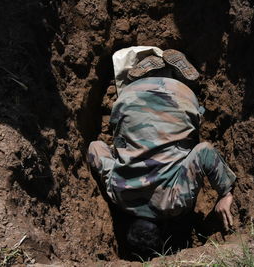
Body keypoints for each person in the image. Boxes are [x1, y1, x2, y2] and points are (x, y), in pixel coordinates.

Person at [88, 47, 237, 255]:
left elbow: (204, 151)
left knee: (189, 131)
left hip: (181, 95)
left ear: (164, 229)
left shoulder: (176, 203)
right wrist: (117, 153)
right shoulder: (118, 194)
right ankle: (146, 74)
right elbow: (95, 147)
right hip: (130, 96)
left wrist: (225, 193)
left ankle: (180, 77)